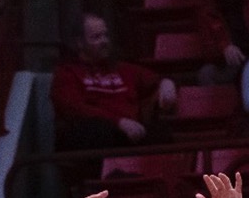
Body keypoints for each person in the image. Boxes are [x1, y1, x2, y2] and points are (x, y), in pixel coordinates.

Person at [52, 12, 177, 150]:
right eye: (96, 37)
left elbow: (156, 79)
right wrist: (118, 122)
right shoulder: (66, 73)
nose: (104, 41)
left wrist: (167, 83)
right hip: (94, 134)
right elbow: (75, 109)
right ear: (80, 43)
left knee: (161, 132)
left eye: (105, 35)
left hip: (129, 133)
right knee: (97, 131)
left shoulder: (123, 68)